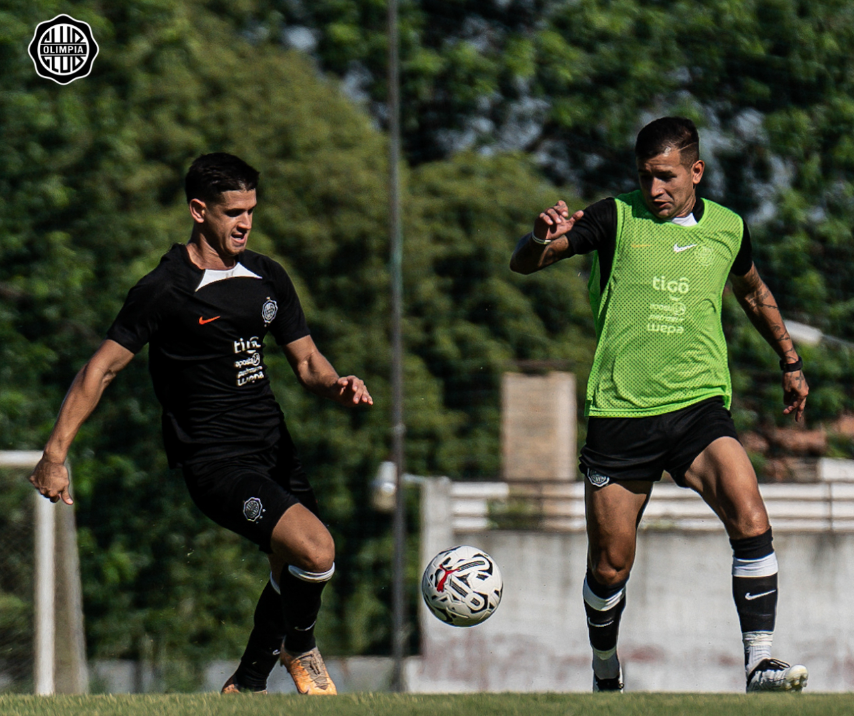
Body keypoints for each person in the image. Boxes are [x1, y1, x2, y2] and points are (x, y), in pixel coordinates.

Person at [28, 152, 372, 695]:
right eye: (233, 211)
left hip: (274, 449)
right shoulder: (164, 289)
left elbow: (307, 363)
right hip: (214, 462)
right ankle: (300, 647)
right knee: (316, 550)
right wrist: (55, 453)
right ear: (198, 210)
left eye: (251, 211)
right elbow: (102, 369)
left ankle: (248, 684)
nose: (245, 223)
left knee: (293, 566)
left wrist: (337, 385)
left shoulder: (267, 276)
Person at [510, 117, 810, 693]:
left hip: (698, 406)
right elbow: (527, 263)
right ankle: (605, 670)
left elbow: (752, 291)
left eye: (666, 177)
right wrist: (539, 237)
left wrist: (790, 360)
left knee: (751, 515)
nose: (654, 191)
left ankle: (760, 663)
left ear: (696, 171)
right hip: (621, 412)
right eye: (646, 177)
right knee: (610, 566)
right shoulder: (613, 217)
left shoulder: (728, 227)